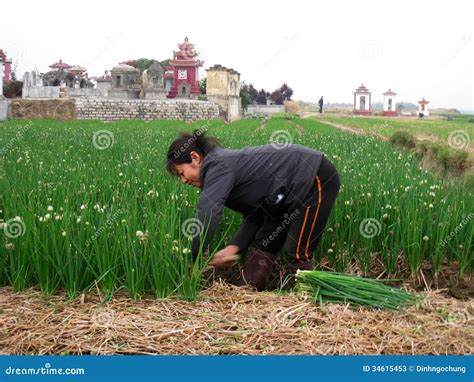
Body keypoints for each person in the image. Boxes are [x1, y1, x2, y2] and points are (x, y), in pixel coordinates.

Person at [166, 130, 341, 291]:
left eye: (181, 173)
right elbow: (254, 215)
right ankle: (248, 294)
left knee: (297, 251)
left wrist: (194, 260)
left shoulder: (217, 167)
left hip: (313, 175)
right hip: (282, 196)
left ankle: (311, 299)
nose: (183, 181)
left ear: (195, 158)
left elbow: (207, 214)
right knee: (264, 241)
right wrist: (235, 247)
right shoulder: (218, 169)